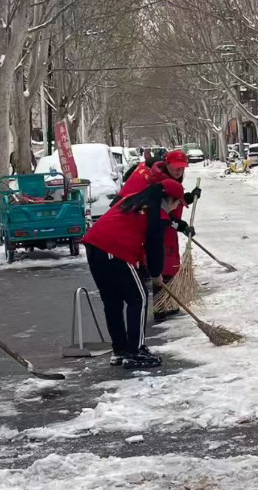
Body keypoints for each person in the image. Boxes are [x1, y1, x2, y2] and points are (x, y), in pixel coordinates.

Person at [83, 176, 192, 368]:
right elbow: (154, 246)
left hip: (94, 247)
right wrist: (156, 273)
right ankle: (135, 351)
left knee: (113, 301)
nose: (176, 208)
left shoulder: (136, 199)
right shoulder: (157, 213)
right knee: (138, 298)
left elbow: (139, 229)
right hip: (114, 248)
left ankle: (121, 351)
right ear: (169, 199)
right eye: (177, 203)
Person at [156, 150, 202, 320]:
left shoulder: (171, 180)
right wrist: (181, 225)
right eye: (176, 167)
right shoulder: (161, 183)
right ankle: (161, 307)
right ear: (167, 165)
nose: (179, 171)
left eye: (182, 168)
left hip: (169, 230)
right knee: (163, 266)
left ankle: (168, 303)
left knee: (170, 264)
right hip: (161, 230)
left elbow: (175, 201)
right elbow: (162, 210)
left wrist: (189, 197)